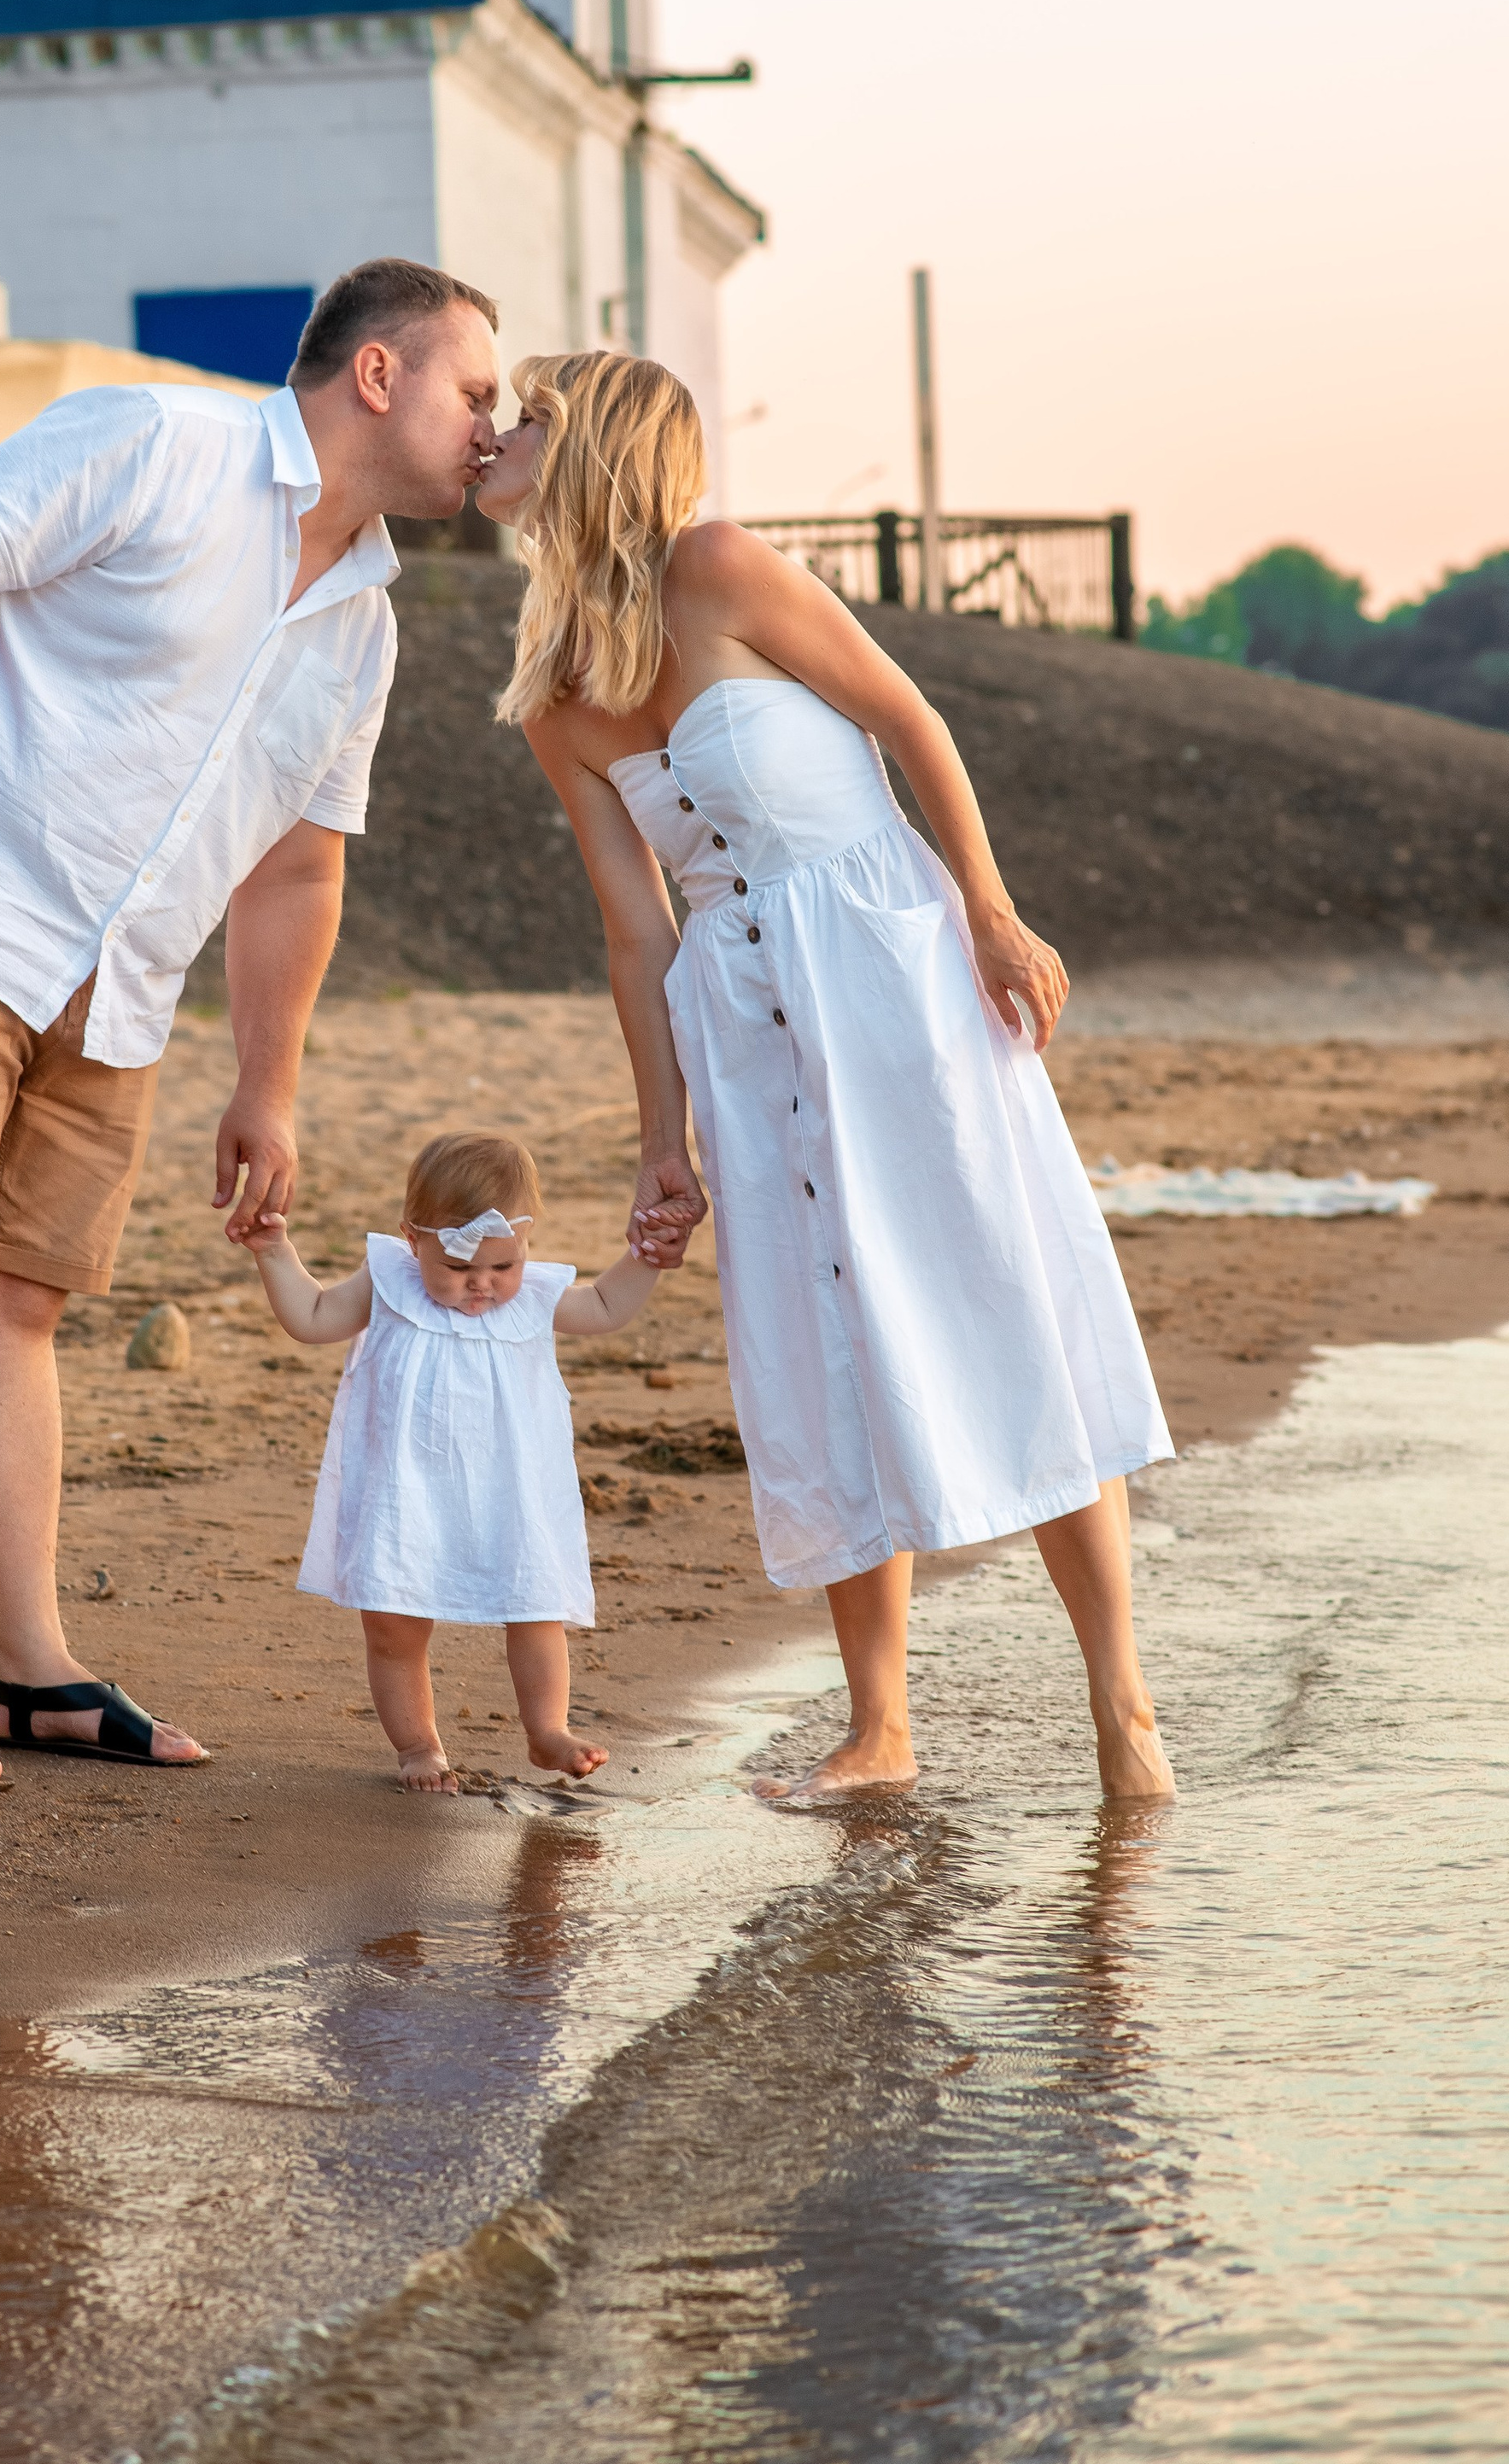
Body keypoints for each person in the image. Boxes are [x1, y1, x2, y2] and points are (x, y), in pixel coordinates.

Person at [0, 259, 502, 1789]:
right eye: (474, 390)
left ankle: (24, 1665)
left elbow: (299, 864)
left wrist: (268, 1081)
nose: (490, 428)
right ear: (379, 373)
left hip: (123, 976)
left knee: (19, 1302)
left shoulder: (366, 623)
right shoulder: (154, 442)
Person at [474, 349, 1176, 1807]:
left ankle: (1124, 1709)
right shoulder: (556, 694)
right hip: (742, 1022)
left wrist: (991, 911)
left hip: (890, 973)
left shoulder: (724, 569)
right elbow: (633, 929)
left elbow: (912, 722)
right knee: (819, 1338)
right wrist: (661, 1138)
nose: (494, 434)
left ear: (595, 445)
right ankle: (880, 1727)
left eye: (527, 417)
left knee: (1003, 1300)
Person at [244, 1130, 664, 1793]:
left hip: (511, 1491)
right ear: (412, 1239)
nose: (483, 1283)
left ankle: (547, 1728)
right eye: (460, 1267)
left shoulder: (534, 1295)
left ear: (525, 1242)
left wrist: (648, 1254)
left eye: (503, 1264)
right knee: (393, 1622)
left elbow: (608, 1305)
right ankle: (419, 1745)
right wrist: (274, 1251)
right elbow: (315, 1316)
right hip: (404, 1489)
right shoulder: (388, 1282)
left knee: (535, 1604)